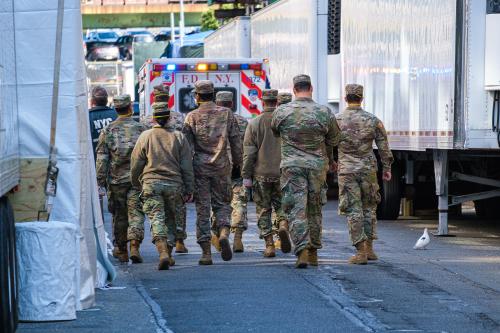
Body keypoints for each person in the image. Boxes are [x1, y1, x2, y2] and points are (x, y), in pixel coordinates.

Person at [271, 74, 340, 268]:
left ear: (294, 90)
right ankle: (313, 252)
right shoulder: (324, 112)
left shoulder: (282, 112)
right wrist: (331, 160)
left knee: (297, 209)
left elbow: (275, 132)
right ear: (311, 87)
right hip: (317, 167)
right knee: (314, 209)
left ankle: (301, 250)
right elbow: (333, 139)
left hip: (292, 166)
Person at [183, 80, 242, 265]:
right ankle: (224, 233)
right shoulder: (226, 114)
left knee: (203, 209)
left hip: (200, 168)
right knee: (223, 204)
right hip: (222, 166)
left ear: (197, 96)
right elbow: (236, 142)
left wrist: (186, 176)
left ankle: (206, 253)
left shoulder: (191, 117)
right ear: (213, 94)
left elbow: (186, 148)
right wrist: (238, 166)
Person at [130, 102, 194, 270]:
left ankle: (162, 251)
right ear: (169, 117)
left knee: (157, 218)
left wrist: (135, 182)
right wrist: (189, 188)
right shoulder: (179, 137)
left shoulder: (145, 136)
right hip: (174, 184)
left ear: (153, 118)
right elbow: (187, 166)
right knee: (172, 219)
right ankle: (169, 253)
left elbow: (136, 163)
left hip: (151, 183)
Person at [336, 84, 393, 264]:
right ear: (361, 98)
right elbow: (384, 147)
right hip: (368, 170)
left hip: (347, 170)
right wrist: (387, 168)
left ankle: (360, 252)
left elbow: (327, 144)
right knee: (369, 208)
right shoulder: (373, 120)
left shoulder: (336, 120)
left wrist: (330, 163)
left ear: (346, 98)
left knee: (353, 209)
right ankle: (370, 248)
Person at [96, 94, 147, 263]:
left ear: (115, 110)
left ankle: (123, 250)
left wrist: (99, 181)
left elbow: (102, 158)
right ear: (130, 108)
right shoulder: (142, 129)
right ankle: (134, 245)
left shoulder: (108, 130)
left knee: (119, 215)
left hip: (116, 181)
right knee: (136, 213)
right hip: (138, 179)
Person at [242, 89, 291, 257]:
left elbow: (249, 153)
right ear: (276, 102)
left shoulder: (254, 123)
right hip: (283, 172)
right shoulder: (284, 122)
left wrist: (246, 175)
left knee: (264, 209)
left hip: (261, 173)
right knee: (282, 205)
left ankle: (269, 245)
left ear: (262, 102)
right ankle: (283, 225)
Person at [147, 85, 189, 254]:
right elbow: (186, 143)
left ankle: (163, 243)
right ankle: (179, 241)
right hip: (175, 169)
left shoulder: (146, 120)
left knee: (158, 211)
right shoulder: (178, 118)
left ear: (154, 98)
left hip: (153, 168)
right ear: (168, 98)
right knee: (177, 209)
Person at [210, 91, 249, 253]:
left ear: (217, 103)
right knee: (239, 202)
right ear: (231, 104)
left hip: (216, 168)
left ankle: (219, 234)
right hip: (237, 168)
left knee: (217, 203)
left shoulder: (210, 121)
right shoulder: (242, 121)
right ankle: (238, 238)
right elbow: (247, 146)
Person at [88, 86, 116, 157]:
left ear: (92, 101)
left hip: (95, 162)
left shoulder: (87, 117)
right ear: (106, 100)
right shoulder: (116, 114)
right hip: (115, 163)